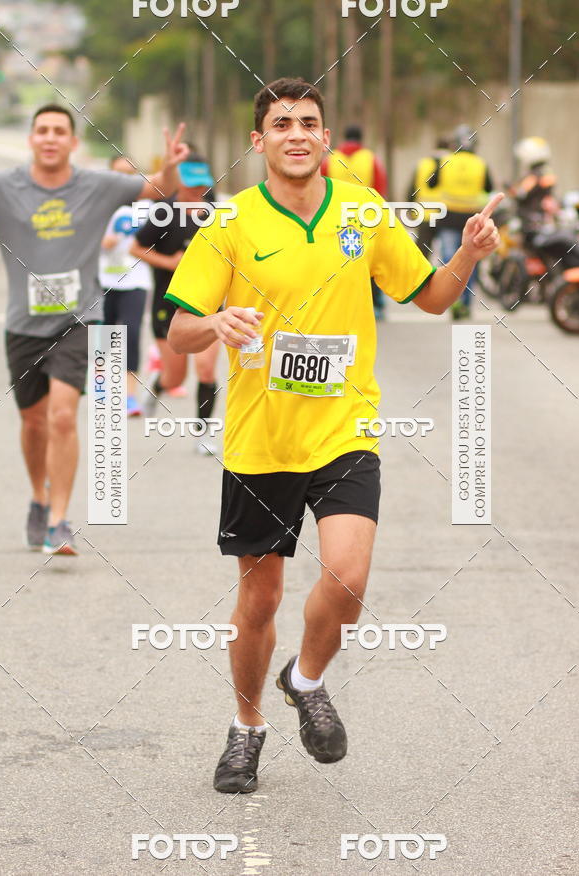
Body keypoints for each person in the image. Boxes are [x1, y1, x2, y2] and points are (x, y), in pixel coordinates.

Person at [165, 76, 503, 793]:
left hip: (347, 429)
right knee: (260, 601)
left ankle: (306, 677)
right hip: (260, 439)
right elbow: (179, 328)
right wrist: (213, 324)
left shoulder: (365, 210)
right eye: (281, 123)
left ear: (325, 138)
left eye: (308, 122)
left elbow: (434, 297)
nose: (296, 133)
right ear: (260, 141)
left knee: (348, 576)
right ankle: (246, 729)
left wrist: (469, 252)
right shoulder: (229, 224)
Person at [0, 104, 189, 554]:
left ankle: (59, 520)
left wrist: (170, 168)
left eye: (60, 130)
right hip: (23, 324)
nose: (51, 137)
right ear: (32, 139)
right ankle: (39, 501)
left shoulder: (97, 185)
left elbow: (158, 189)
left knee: (63, 414)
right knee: (33, 421)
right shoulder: (2, 186)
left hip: (79, 318)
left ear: (73, 142)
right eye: (42, 130)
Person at [130, 153, 221, 455]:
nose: (197, 191)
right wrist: (169, 262)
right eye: (192, 185)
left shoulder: (215, 214)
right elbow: (136, 248)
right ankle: (158, 384)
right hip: (168, 303)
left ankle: (204, 433)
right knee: (176, 377)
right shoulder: (163, 212)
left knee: (207, 370)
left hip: (208, 304)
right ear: (180, 181)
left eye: (202, 185)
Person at [99, 156, 152, 417]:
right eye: (119, 174)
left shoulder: (148, 208)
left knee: (131, 334)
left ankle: (130, 396)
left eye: (130, 174)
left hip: (136, 281)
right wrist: (103, 241)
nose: (124, 181)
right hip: (103, 281)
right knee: (105, 338)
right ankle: (104, 391)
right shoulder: (97, 205)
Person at [322, 124, 388, 319]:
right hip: (366, 217)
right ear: (361, 138)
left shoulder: (331, 159)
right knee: (370, 261)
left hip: (336, 217)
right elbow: (379, 188)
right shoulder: (371, 159)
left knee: (339, 261)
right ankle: (376, 305)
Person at [429, 124, 494, 319]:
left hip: (448, 217)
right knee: (470, 261)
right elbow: (488, 187)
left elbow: (432, 184)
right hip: (472, 220)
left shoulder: (444, 161)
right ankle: (465, 303)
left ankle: (452, 300)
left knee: (451, 260)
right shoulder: (481, 164)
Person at [407, 136, 450, 254]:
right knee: (448, 253)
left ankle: (424, 273)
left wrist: (409, 208)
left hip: (424, 213)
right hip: (446, 214)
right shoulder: (451, 164)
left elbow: (412, 189)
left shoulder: (422, 164)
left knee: (422, 253)